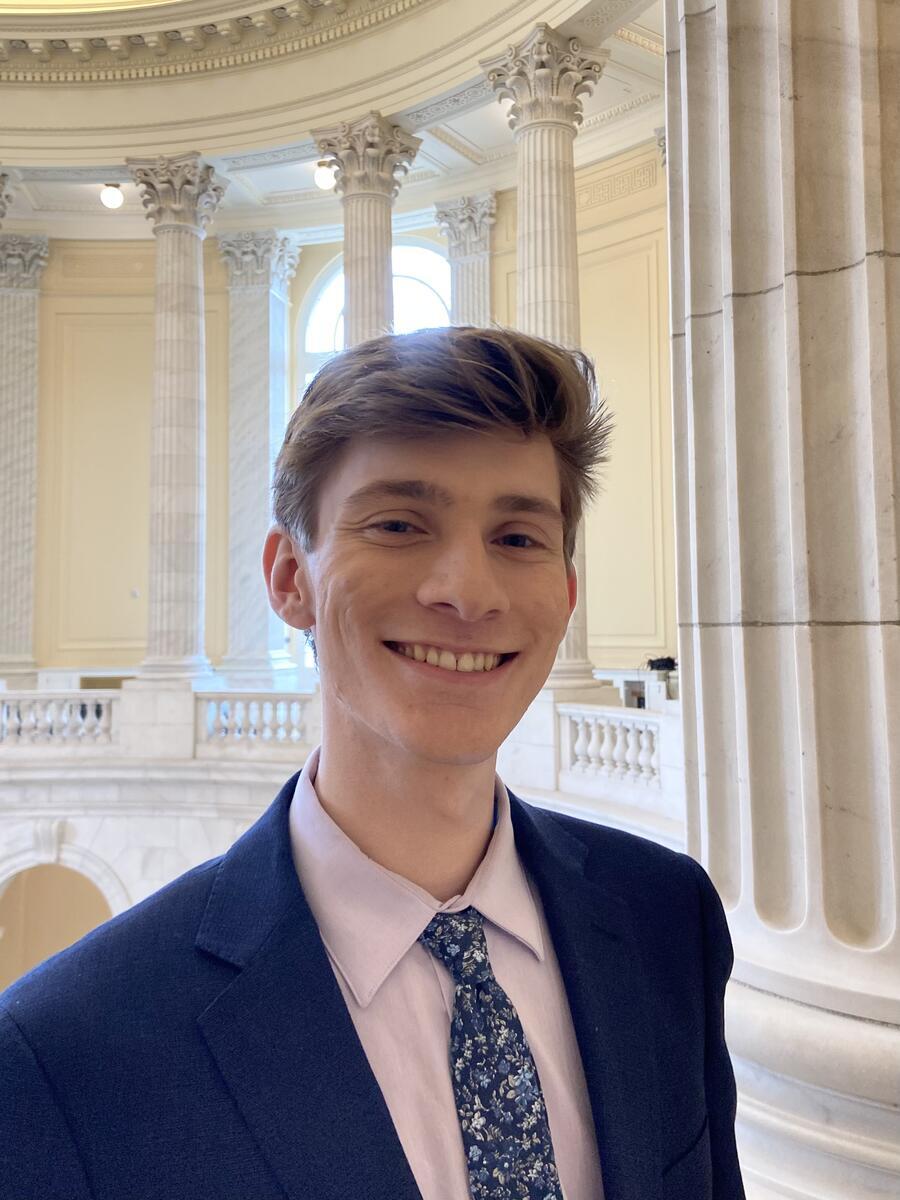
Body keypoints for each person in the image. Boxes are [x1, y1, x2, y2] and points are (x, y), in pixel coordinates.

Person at [0, 327, 745, 1199]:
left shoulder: (668, 919)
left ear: (567, 594)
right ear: (290, 578)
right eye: (398, 525)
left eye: (517, 538)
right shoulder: (66, 1051)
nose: (467, 591)